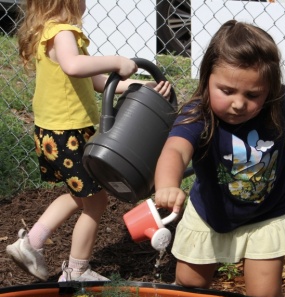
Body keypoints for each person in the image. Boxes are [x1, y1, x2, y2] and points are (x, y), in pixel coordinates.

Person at [154, 20, 285, 297]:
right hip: (211, 212)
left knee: (264, 296)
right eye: (227, 91)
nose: (238, 103)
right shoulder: (198, 114)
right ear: (207, 77)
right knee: (189, 285)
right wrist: (167, 184)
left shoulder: (280, 101)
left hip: (266, 214)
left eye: (252, 95)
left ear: (269, 88)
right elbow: (175, 150)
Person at [6, 0, 171, 282]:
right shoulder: (63, 33)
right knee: (95, 203)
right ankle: (76, 271)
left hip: (53, 134)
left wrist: (141, 86)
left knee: (78, 195)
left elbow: (97, 82)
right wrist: (117, 60)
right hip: (67, 135)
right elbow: (74, 66)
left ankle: (31, 243)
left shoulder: (49, 32)